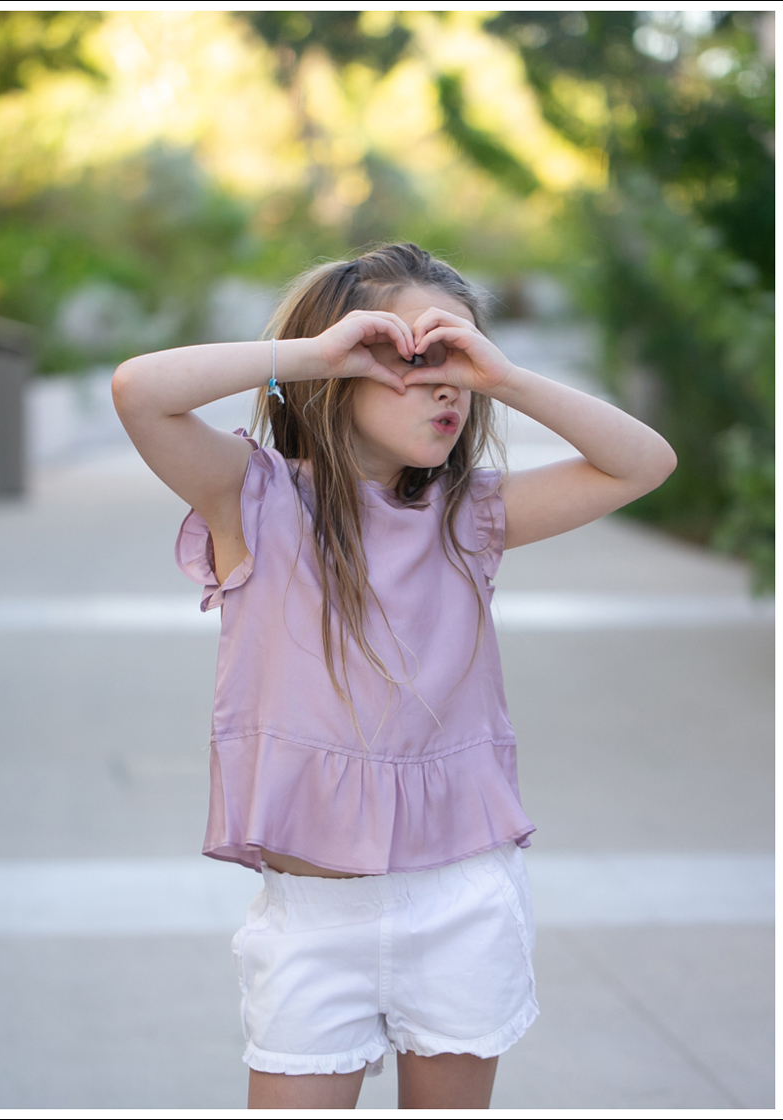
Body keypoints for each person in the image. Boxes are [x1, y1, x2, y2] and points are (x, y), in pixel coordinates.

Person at [112, 243, 676, 1109]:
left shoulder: (469, 515)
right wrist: (311, 354)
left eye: (460, 362)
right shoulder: (255, 499)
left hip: (461, 903)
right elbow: (138, 391)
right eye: (416, 358)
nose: (447, 386)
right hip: (313, 916)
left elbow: (645, 463)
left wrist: (505, 377)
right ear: (342, 367)